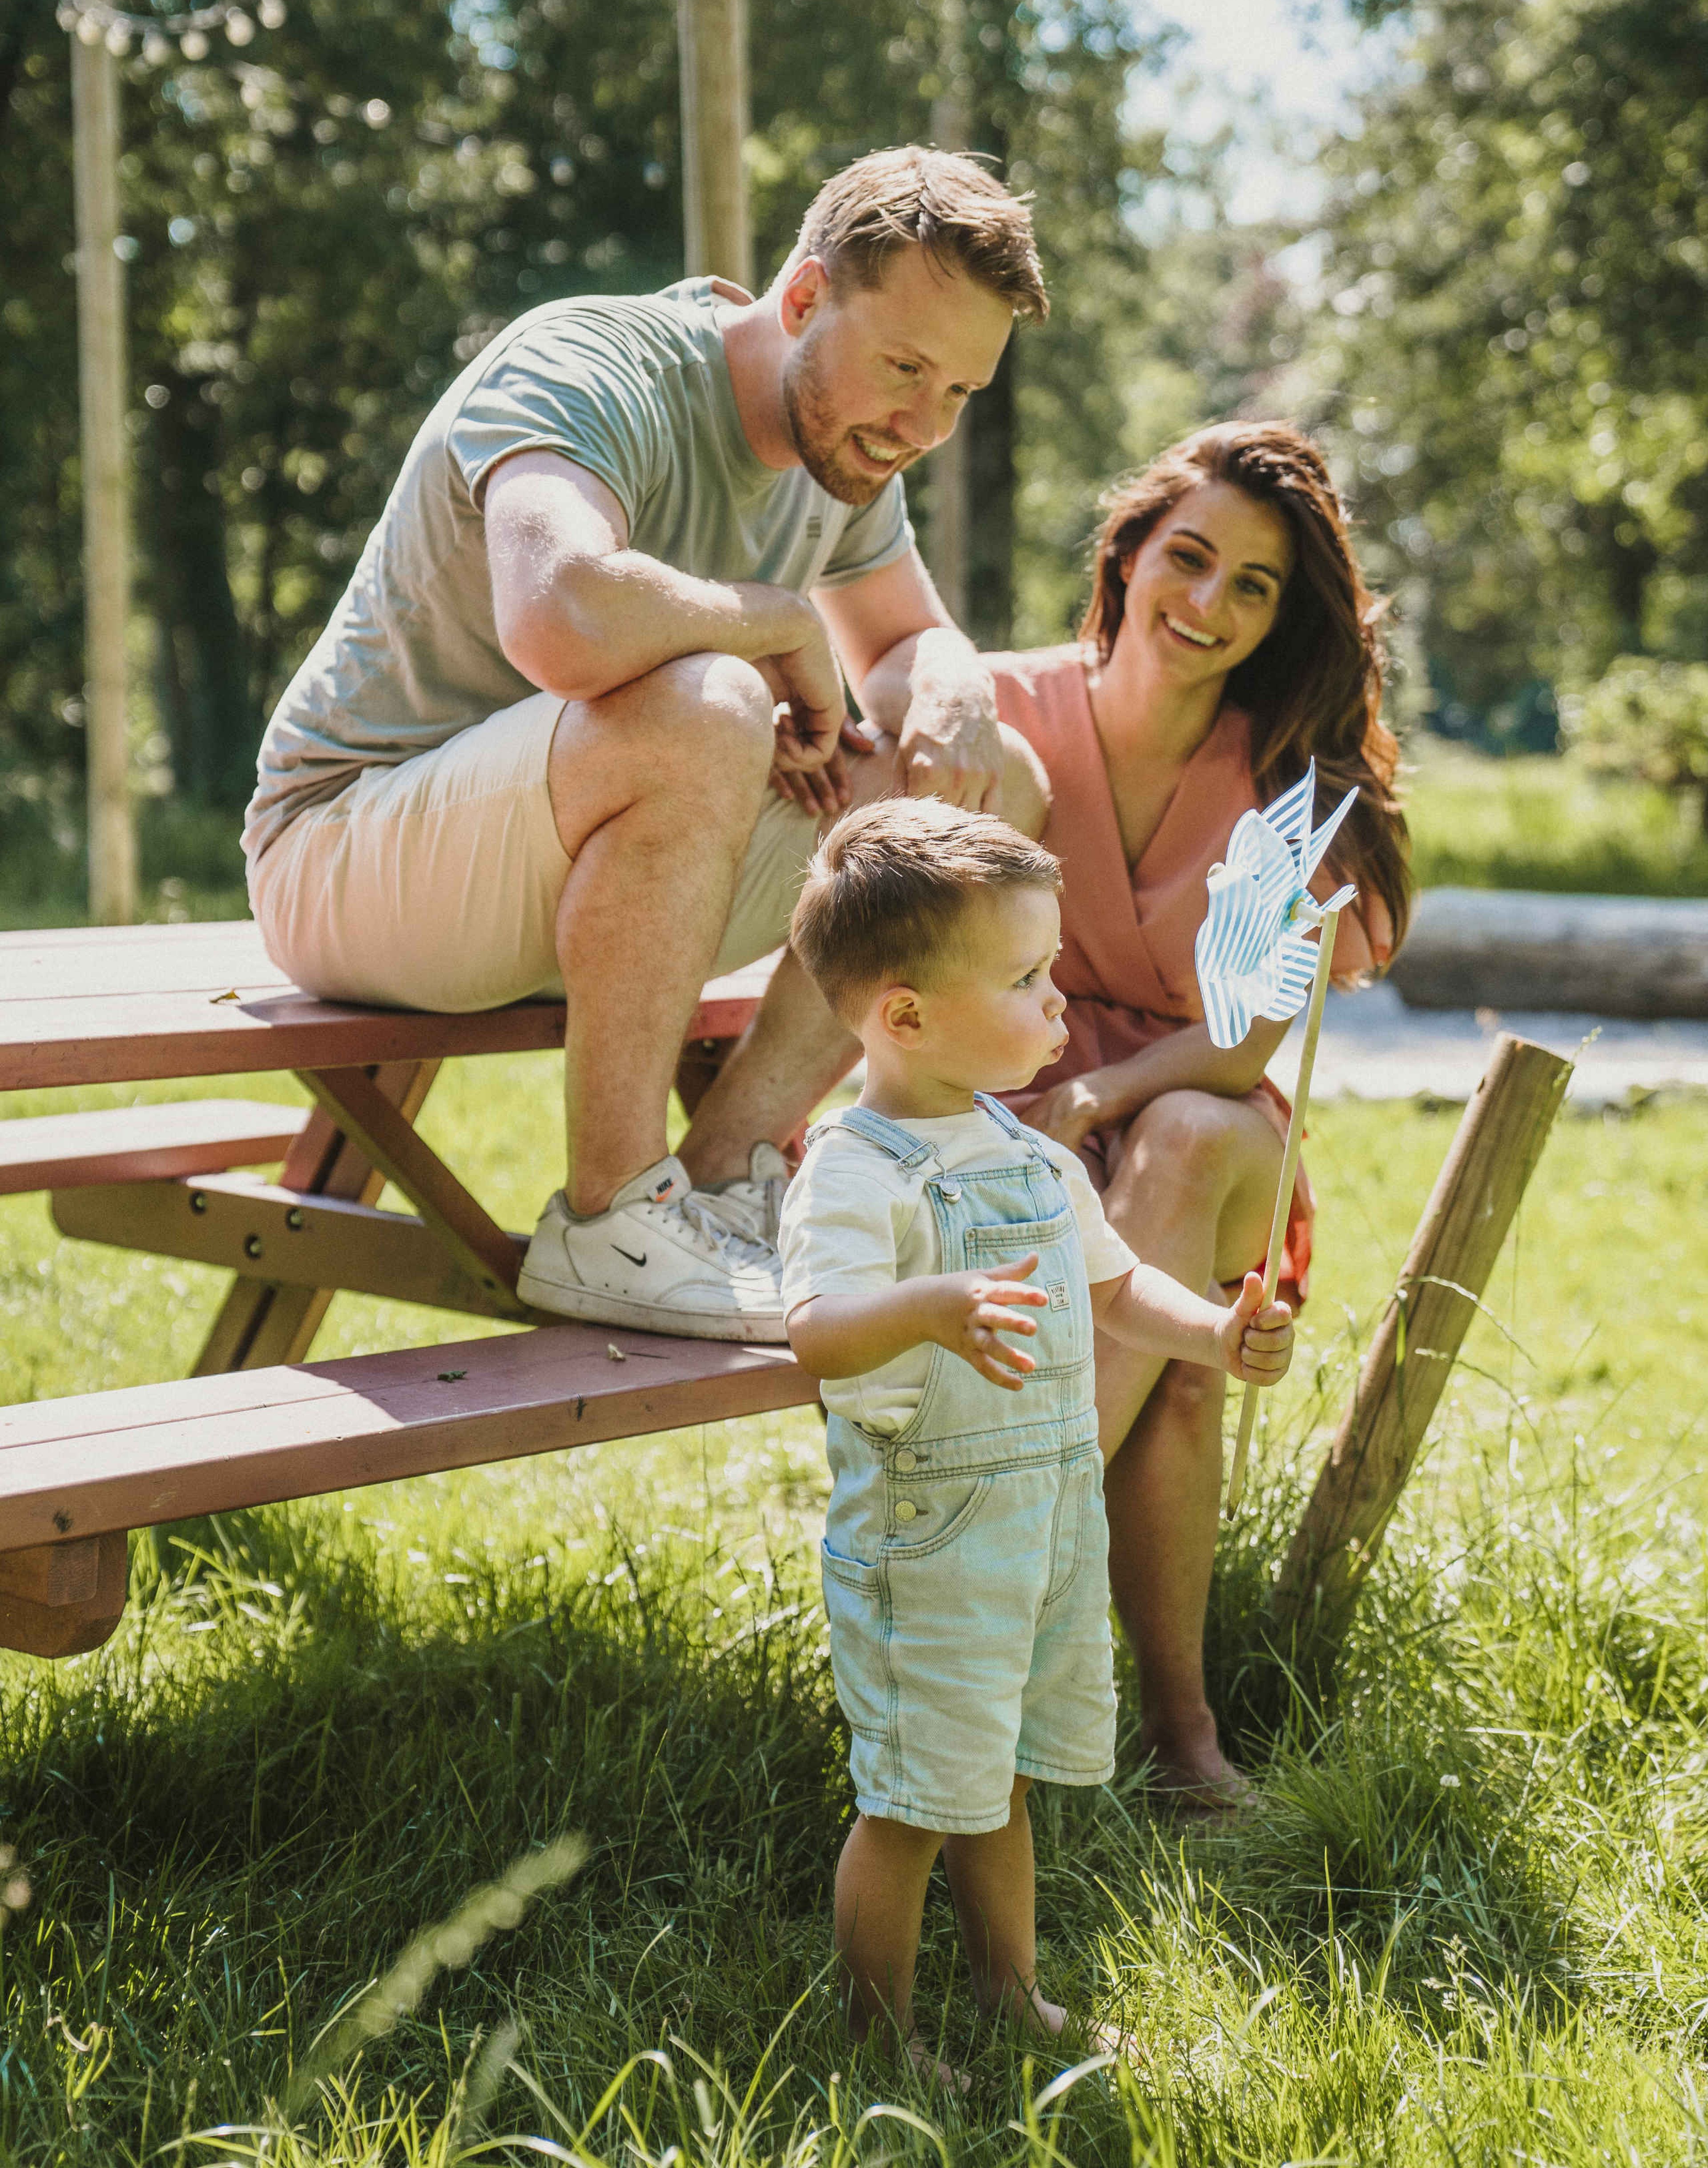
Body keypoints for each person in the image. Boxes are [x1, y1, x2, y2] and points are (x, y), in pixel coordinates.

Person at [242, 147, 1051, 1343]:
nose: (923, 424)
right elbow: (559, 613)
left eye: (959, 395)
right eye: (906, 371)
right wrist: (779, 619)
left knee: (988, 796)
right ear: (805, 299)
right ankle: (610, 1219)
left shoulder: (853, 443)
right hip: (346, 854)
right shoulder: (591, 362)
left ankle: (723, 1177)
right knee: (712, 706)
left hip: (577, 860)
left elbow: (904, 643)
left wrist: (953, 686)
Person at [779, 801, 1293, 2069]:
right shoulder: (855, 1167)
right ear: (904, 1015)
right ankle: (878, 2036)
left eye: (1051, 968)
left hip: (1045, 1518)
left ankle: (1012, 1993)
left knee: (995, 1779)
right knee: (911, 1802)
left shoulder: (1030, 1150)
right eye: (1025, 978)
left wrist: (1218, 1335)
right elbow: (818, 1329)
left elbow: (1118, 1288)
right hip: (930, 1541)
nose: (1060, 1003)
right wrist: (934, 1308)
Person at [983, 421, 1412, 1809]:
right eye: (1190, 560)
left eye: (1257, 588)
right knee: (1177, 1376)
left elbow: (1238, 1054)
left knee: (1180, 1147)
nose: (1209, 606)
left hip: (1193, 1125)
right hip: (1009, 1132)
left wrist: (1105, 1086)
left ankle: (995, 1567)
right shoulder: (997, 716)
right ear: (1126, 556)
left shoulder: (1289, 783)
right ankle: (1180, 1742)